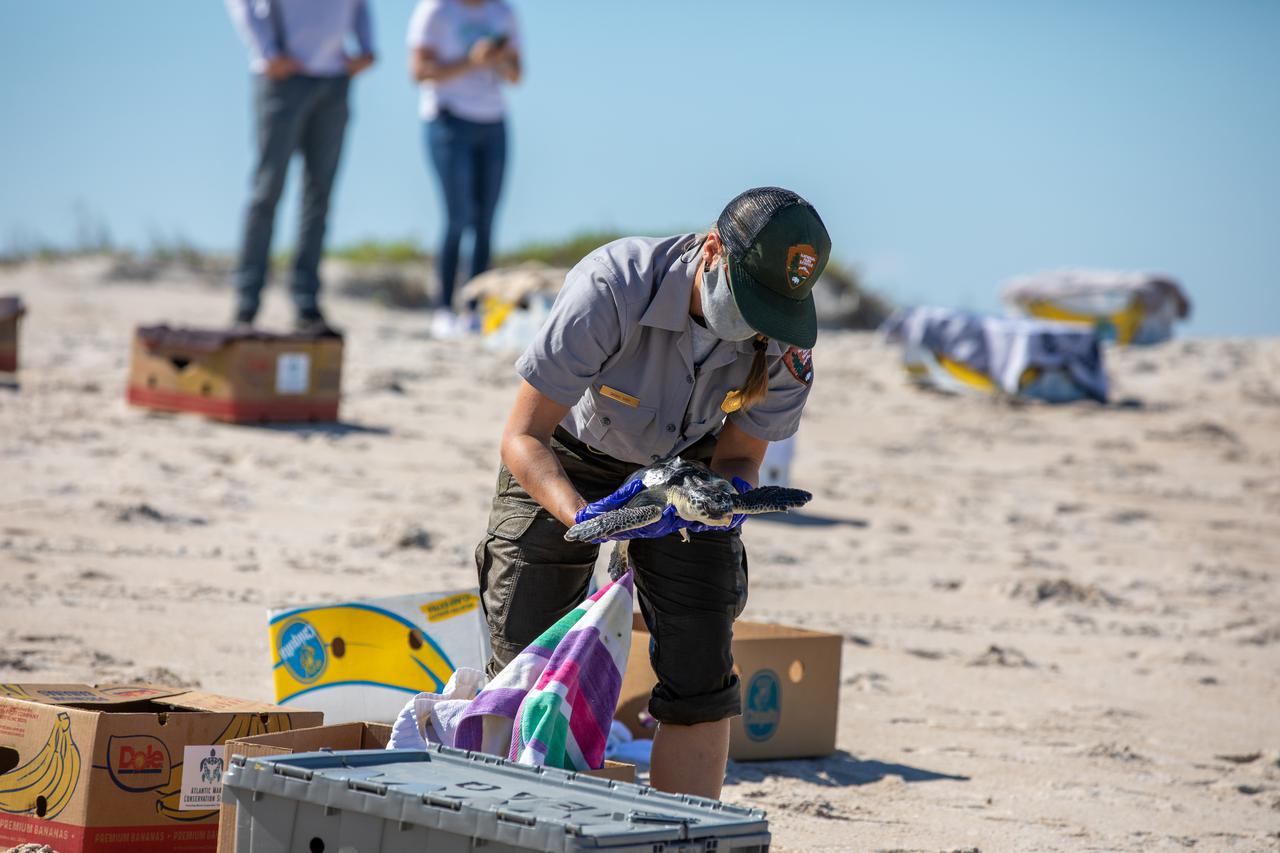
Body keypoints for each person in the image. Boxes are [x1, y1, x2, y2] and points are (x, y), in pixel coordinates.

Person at [475, 187, 830, 799]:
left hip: (688, 470)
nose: (755, 325)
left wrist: (722, 502)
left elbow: (741, 456)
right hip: (565, 457)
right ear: (713, 251)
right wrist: (587, 519)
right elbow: (522, 437)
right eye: (749, 302)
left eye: (772, 312)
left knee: (701, 671)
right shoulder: (613, 288)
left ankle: (685, 830)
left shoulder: (785, 344)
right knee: (525, 660)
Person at [226, 0, 377, 332]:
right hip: (283, 79)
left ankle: (306, 301)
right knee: (267, 190)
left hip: (334, 80)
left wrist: (366, 47)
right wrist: (267, 51)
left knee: (319, 195)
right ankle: (247, 301)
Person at [406, 0, 522, 338]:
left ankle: (475, 310)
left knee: (485, 220)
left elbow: (516, 75)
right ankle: (444, 308)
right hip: (448, 120)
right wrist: (469, 61)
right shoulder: (436, 11)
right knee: (457, 216)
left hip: (493, 122)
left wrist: (496, 59)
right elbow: (418, 71)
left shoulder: (503, 13)